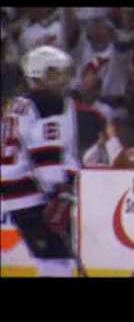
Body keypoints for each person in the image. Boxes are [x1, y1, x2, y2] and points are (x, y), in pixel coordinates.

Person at [0, 45, 79, 277]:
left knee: (50, 261)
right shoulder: (48, 102)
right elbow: (46, 152)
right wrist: (59, 193)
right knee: (58, 265)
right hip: (37, 196)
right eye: (54, 72)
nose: (62, 78)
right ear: (38, 74)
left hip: (15, 195)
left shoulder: (16, 104)